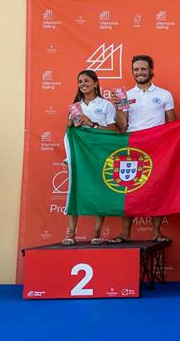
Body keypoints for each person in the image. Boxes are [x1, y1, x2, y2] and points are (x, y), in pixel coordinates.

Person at [109, 55, 174, 244]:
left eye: (143, 69)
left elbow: (172, 123)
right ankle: (125, 233)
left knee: (158, 188)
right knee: (130, 188)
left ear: (151, 71)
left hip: (158, 147)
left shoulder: (164, 94)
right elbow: (122, 126)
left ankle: (156, 233)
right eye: (136, 69)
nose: (139, 73)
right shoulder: (126, 95)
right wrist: (118, 108)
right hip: (133, 146)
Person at [62, 70, 117, 245]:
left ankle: (96, 233)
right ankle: (70, 233)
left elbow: (113, 130)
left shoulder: (106, 105)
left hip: (99, 155)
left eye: (86, 80)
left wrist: (92, 124)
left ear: (95, 83)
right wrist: (70, 126)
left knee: (99, 191)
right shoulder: (74, 106)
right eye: (80, 81)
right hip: (78, 156)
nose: (83, 84)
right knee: (74, 191)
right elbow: (68, 134)